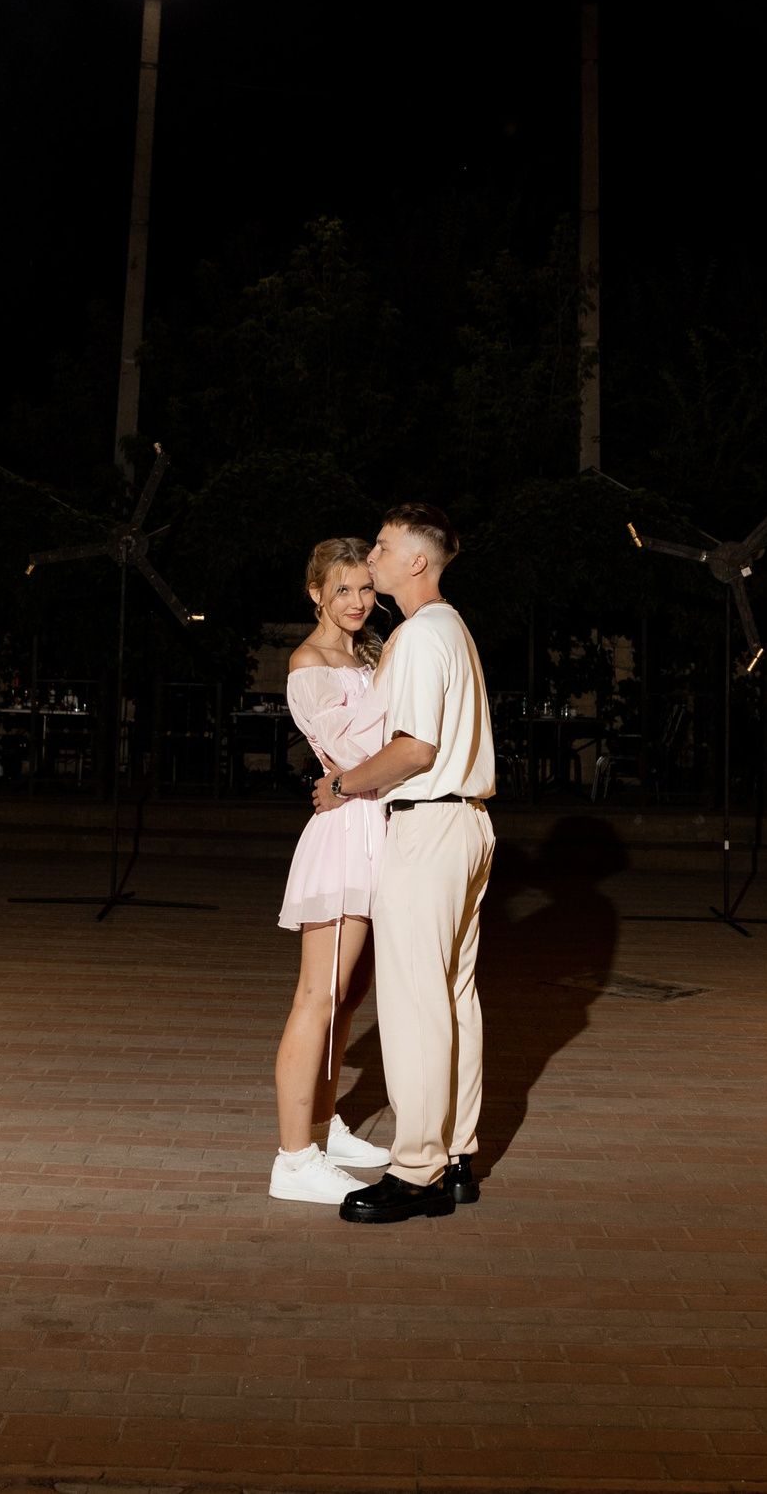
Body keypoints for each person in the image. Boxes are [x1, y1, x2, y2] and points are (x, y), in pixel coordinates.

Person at [310, 503, 494, 1224]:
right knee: (454, 997)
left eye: (383, 547)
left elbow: (415, 749)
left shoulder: (420, 634)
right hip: (468, 823)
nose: (373, 557)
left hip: (429, 823)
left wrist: (341, 785)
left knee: (416, 1004)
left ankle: (417, 1170)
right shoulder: (453, 628)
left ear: (417, 560)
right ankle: (457, 1156)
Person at [268, 538, 396, 1204]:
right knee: (316, 997)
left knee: (347, 997)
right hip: (345, 834)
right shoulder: (309, 663)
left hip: (377, 827)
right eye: (341, 589)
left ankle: (322, 1127)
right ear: (315, 592)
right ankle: (293, 1160)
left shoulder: (368, 654)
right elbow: (355, 752)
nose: (357, 601)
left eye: (365, 588)